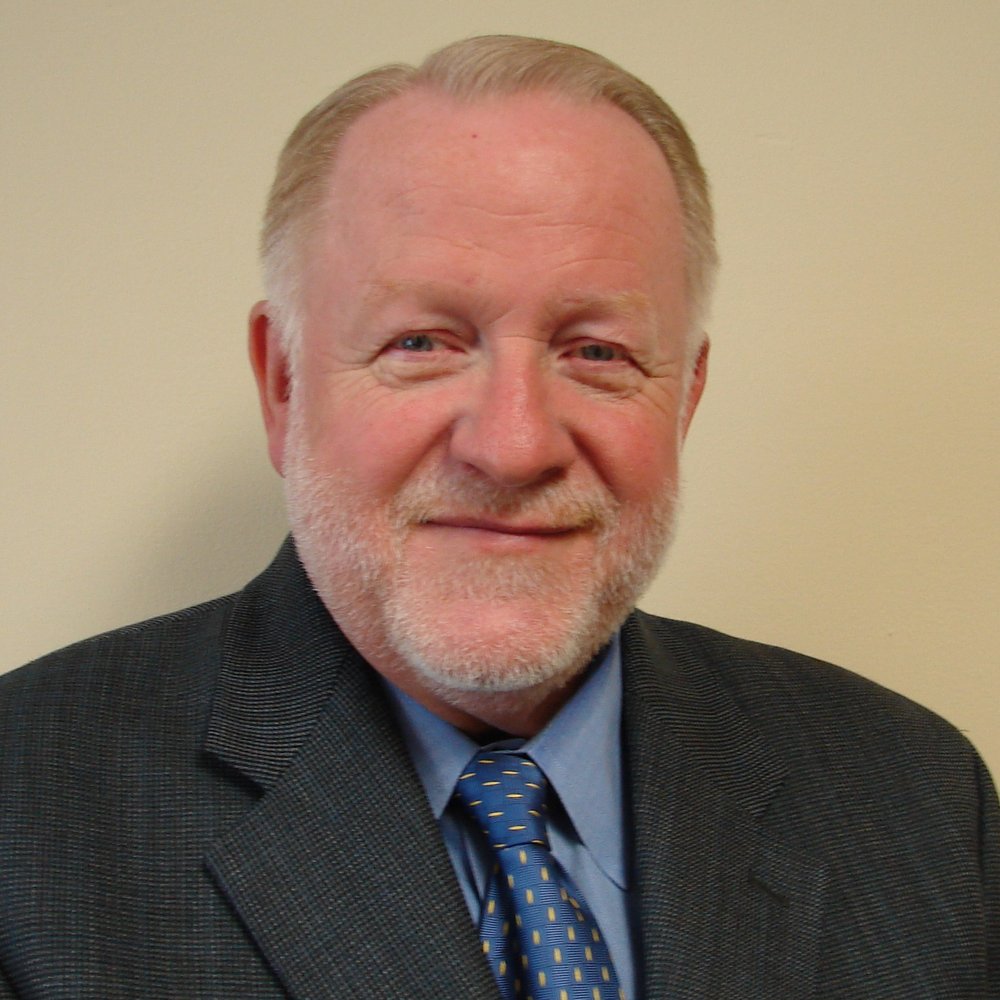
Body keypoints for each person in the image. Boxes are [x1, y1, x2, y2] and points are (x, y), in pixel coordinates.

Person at [0, 34, 996, 999]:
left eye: (597, 352)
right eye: (422, 342)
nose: (513, 445)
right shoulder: (25, 813)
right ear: (283, 384)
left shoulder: (915, 800)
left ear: (685, 397)